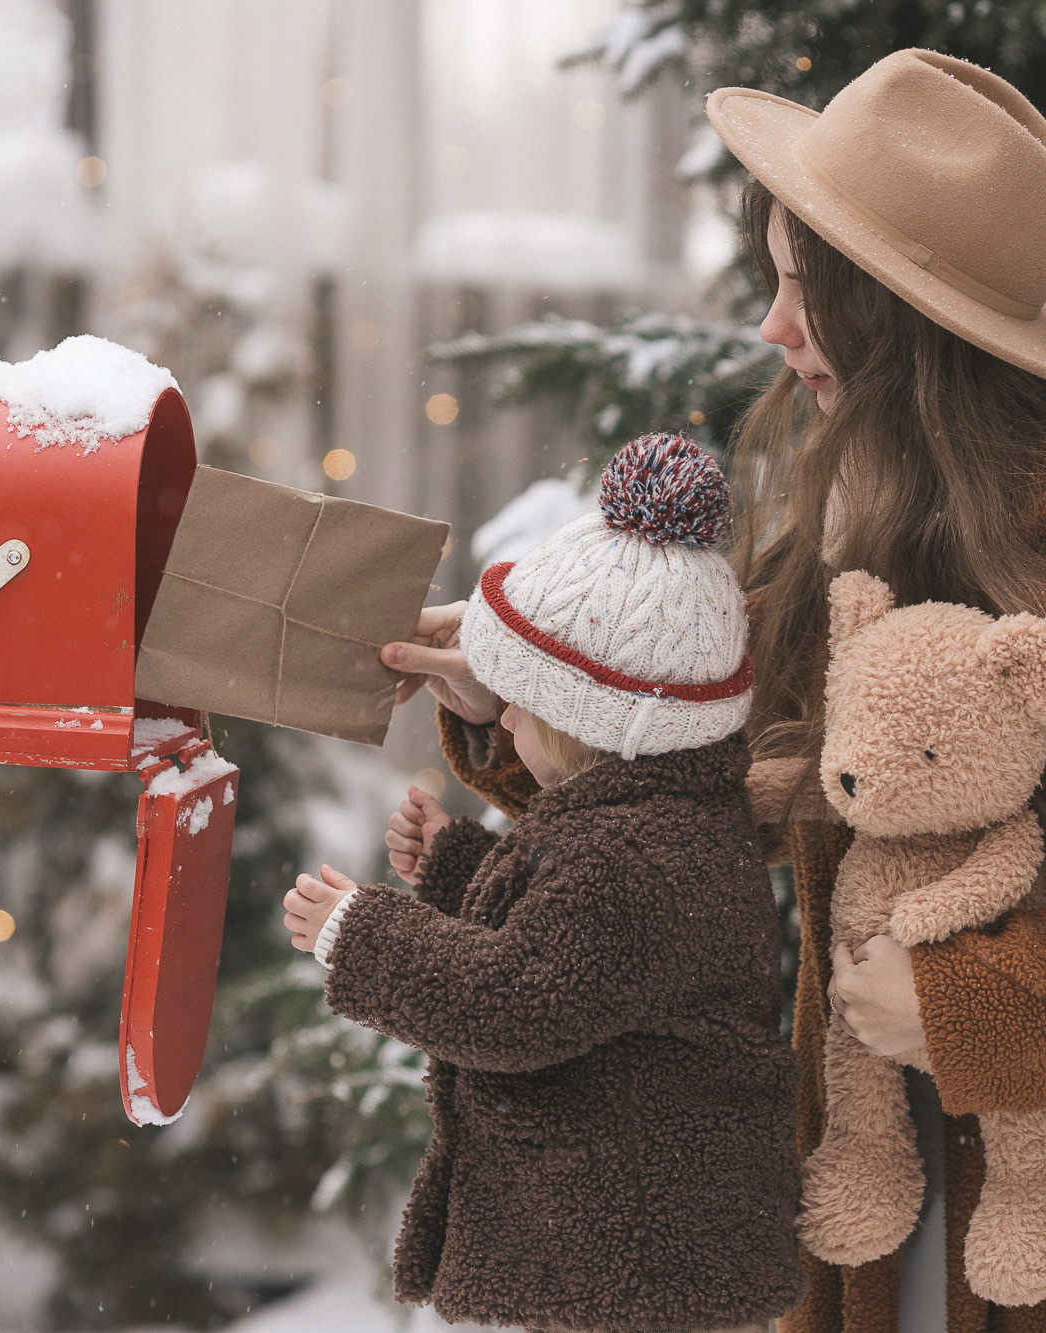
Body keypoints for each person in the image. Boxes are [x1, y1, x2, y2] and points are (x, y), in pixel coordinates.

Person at [382, 48, 1046, 1333]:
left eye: (801, 292)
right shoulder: (881, 503)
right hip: (894, 1168)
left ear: (900, 320)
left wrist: (974, 1005)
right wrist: (524, 693)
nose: (771, 332)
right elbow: (721, 741)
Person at [282, 435, 806, 1333]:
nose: (504, 711)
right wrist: (461, 868)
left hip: (633, 1267)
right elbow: (578, 954)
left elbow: (516, 998)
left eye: (522, 699)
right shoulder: (661, 824)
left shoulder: (630, 859)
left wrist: (359, 933)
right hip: (650, 1246)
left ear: (589, 722)